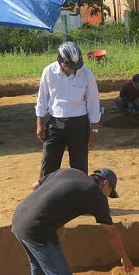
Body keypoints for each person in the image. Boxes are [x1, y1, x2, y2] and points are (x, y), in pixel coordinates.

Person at [12, 167, 134, 275]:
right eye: (110, 191)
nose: (108, 196)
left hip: (19, 217)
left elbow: (35, 187)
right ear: (105, 183)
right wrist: (124, 257)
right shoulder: (96, 196)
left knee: (37, 263)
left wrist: (53, 215)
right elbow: (112, 233)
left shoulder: (70, 172)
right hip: (37, 229)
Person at [36, 41, 101, 179]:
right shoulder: (49, 72)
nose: (72, 70)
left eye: (75, 67)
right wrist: (40, 123)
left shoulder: (87, 75)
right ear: (60, 61)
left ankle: (78, 196)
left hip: (78, 125)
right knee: (49, 165)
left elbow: (93, 103)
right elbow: (42, 98)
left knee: (79, 167)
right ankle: (46, 196)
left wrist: (94, 129)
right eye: (69, 66)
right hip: (55, 123)